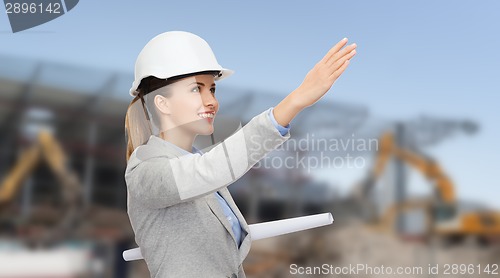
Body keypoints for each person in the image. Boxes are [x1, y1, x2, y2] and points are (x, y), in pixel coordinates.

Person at [124, 31, 356, 277]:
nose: (211, 100)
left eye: (212, 89)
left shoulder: (198, 166)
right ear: (163, 103)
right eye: (196, 89)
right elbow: (211, 169)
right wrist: (295, 102)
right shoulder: (144, 170)